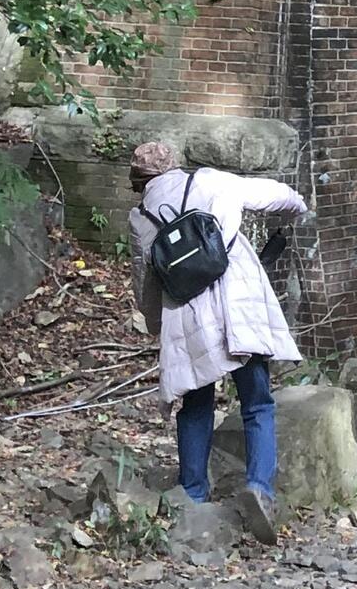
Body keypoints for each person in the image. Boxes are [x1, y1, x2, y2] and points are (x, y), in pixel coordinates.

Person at [130, 140, 309, 545]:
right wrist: (297, 208)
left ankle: (193, 494)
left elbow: (145, 281)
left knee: (196, 404)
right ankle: (259, 488)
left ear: (140, 181)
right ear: (176, 165)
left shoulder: (140, 215)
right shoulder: (212, 181)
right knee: (257, 401)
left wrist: (157, 327)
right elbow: (276, 195)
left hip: (186, 313)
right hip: (239, 305)